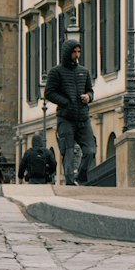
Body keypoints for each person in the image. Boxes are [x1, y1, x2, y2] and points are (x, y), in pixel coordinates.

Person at [44, 37, 96, 185]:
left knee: (90, 150)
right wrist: (65, 102)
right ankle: (69, 182)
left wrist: (88, 97)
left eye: (79, 51)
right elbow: (48, 93)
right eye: (74, 52)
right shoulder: (56, 72)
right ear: (68, 53)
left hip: (83, 118)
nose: (77, 55)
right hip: (65, 118)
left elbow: (90, 91)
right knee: (68, 150)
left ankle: (80, 176)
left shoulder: (84, 71)